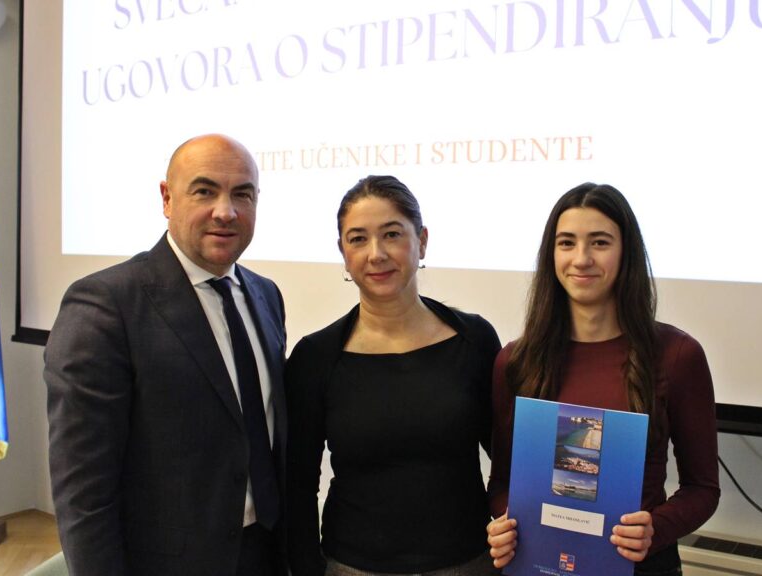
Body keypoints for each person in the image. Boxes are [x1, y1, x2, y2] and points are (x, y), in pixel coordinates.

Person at [45, 134, 287, 576]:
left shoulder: (266, 295)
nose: (226, 211)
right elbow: (83, 491)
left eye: (242, 194)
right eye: (205, 191)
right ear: (167, 198)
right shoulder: (105, 304)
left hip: (266, 553)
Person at [485, 183, 720, 576]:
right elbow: (502, 484)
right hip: (539, 564)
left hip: (642, 566)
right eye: (566, 243)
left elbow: (703, 489)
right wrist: (506, 522)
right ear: (551, 254)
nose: (582, 259)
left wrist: (654, 529)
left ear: (626, 252)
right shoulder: (516, 361)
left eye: (599, 242)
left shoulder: (677, 355)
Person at [285, 175, 501, 576]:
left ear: (422, 241)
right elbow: (298, 485)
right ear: (343, 253)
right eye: (358, 239)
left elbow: (508, 461)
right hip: (353, 567)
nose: (376, 254)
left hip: (469, 563)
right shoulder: (315, 357)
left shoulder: (475, 339)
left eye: (391, 234)